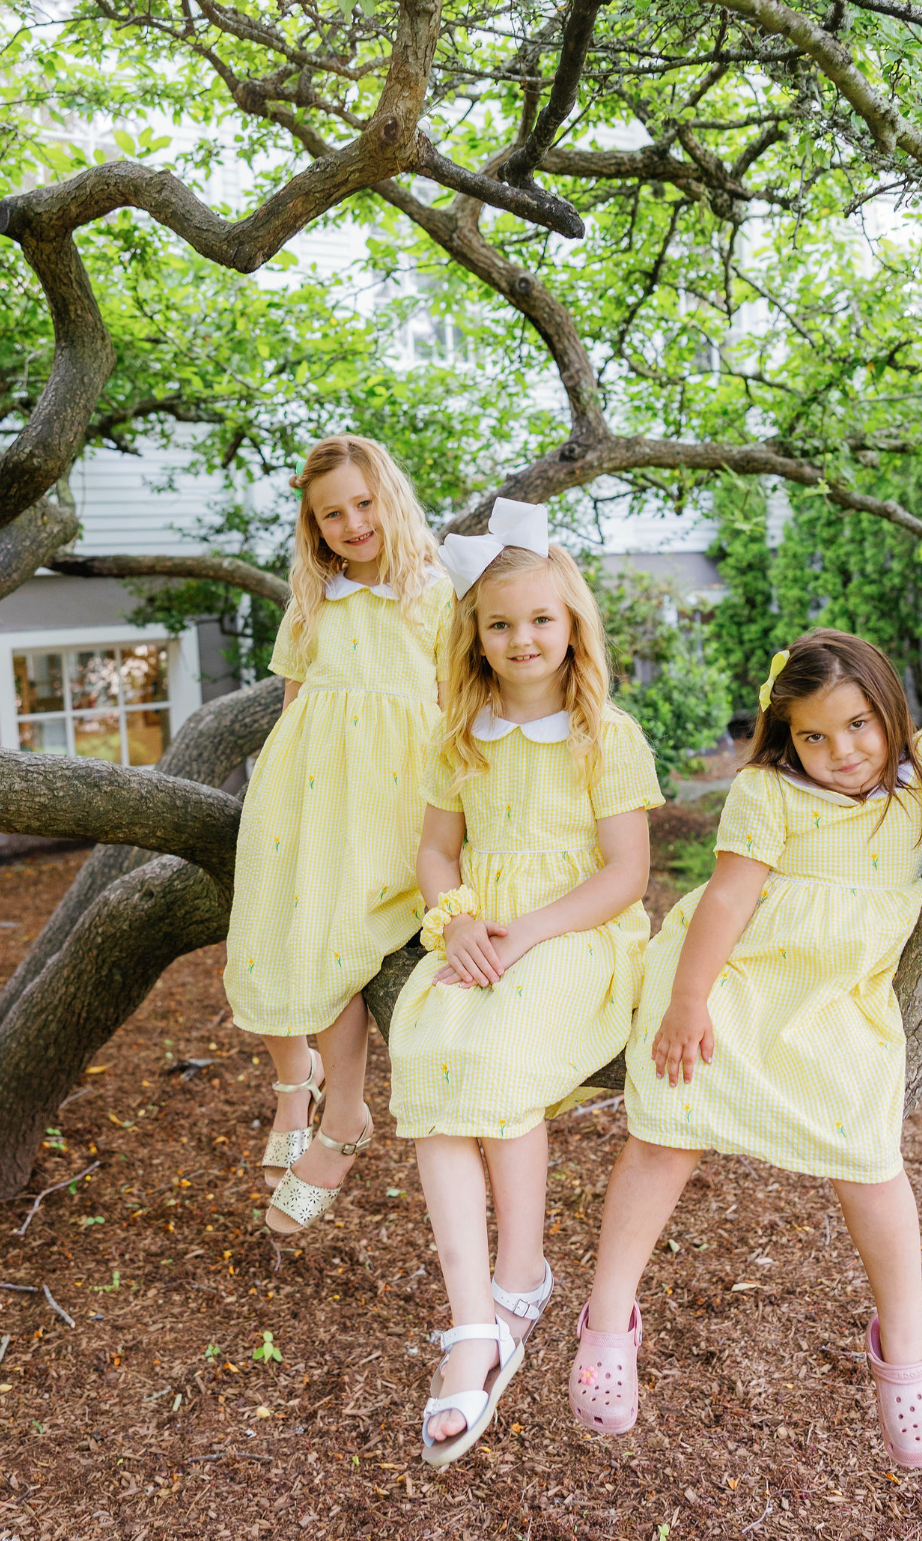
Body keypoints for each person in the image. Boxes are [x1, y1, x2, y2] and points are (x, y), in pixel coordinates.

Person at [570, 628, 922, 1468]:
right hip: (740, 979)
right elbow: (727, 906)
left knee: (870, 1159)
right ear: (788, 738)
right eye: (813, 736)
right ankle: (605, 1324)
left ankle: (909, 1358)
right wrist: (688, 1002)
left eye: (857, 726)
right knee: (665, 1130)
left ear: (889, 710)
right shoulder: (767, 793)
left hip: (839, 1000)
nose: (840, 751)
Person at [387, 501, 663, 1467]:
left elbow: (626, 872)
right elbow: (433, 847)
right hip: (483, 924)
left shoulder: (605, 733)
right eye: (500, 624)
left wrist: (533, 930)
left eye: (541, 620)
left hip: (579, 932)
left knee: (498, 1056)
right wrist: (458, 918)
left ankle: (520, 1276)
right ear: (475, 634)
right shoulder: (459, 732)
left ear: (572, 623)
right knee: (429, 1056)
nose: (521, 639)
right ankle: (475, 1323)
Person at [222, 434, 452, 1237]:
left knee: (341, 941)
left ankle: (344, 1116)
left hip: (391, 800)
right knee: (271, 924)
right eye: (331, 515)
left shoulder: (434, 594)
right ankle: (295, 1080)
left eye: (362, 504)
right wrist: (277, 806)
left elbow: (456, 712)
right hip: (308, 791)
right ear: (313, 528)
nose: (352, 523)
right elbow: (294, 704)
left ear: (389, 499)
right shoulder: (314, 598)